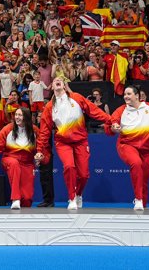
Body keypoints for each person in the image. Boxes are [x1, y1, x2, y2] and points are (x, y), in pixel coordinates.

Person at [35, 77, 111, 210]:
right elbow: (44, 131)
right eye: (54, 80)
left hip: (81, 141)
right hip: (63, 143)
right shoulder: (49, 107)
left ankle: (78, 194)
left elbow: (94, 111)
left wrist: (110, 120)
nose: (57, 80)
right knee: (69, 167)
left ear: (64, 85)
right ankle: (71, 198)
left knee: (83, 175)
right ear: (52, 87)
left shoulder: (77, 97)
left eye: (60, 80)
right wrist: (40, 150)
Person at [0, 107, 38, 209]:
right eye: (16, 115)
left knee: (27, 199)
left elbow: (42, 147)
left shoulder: (35, 130)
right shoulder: (8, 129)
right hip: (9, 159)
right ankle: (15, 199)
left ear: (26, 117)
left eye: (20, 115)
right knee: (14, 163)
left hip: (27, 163)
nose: (17, 117)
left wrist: (40, 155)